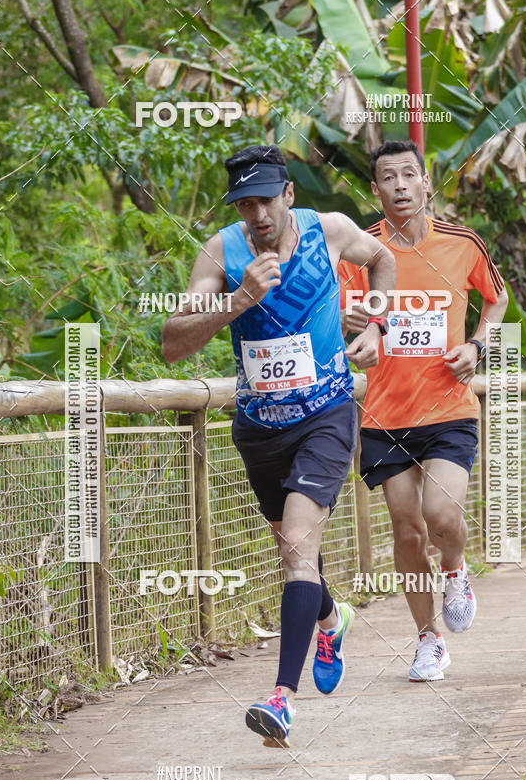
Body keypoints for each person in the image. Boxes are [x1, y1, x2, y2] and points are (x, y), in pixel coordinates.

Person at [162, 144, 396, 746]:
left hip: (327, 413)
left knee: (296, 544)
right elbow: (173, 342)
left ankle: (280, 699)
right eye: (245, 204)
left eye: (265, 199)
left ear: (288, 195)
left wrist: (375, 322)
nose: (257, 214)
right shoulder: (222, 252)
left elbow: (384, 260)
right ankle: (329, 617)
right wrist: (238, 300)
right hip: (260, 427)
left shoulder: (333, 230)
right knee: (297, 553)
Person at [339, 139, 508, 682]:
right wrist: (361, 330)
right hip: (386, 414)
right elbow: (345, 314)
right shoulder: (359, 248)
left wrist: (478, 346)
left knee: (440, 516)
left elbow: (498, 298)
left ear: (426, 181)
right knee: (407, 532)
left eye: (409, 175)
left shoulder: (462, 242)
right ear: (375, 190)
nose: (400, 186)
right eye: (388, 178)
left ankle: (456, 568)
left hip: (448, 407)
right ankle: (428, 641)